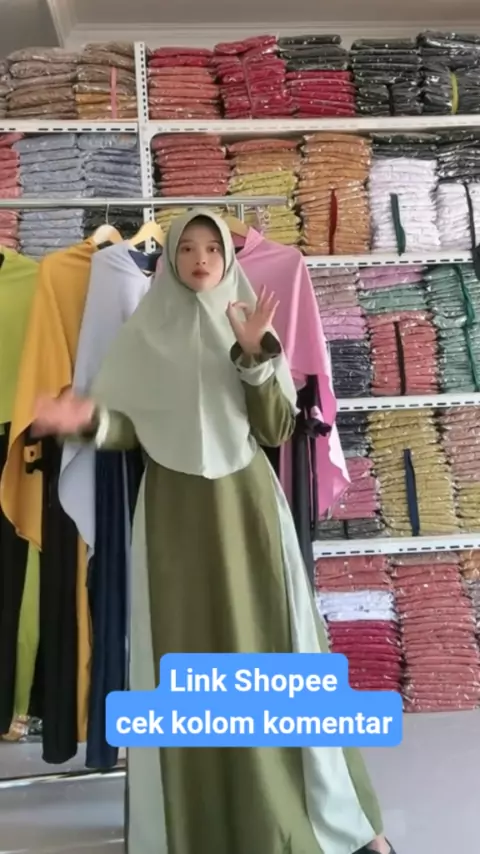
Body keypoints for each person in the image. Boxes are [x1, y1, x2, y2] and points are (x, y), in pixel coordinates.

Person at [32, 209, 396, 854]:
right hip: (171, 522)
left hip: (247, 513)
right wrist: (84, 421)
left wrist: (255, 354)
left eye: (212, 248)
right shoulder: (144, 334)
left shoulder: (249, 320)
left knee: (278, 654)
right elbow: (128, 428)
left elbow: (276, 427)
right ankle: (195, 828)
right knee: (180, 663)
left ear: (228, 257)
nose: (200, 258)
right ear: (168, 258)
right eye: (187, 248)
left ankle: (333, 821)